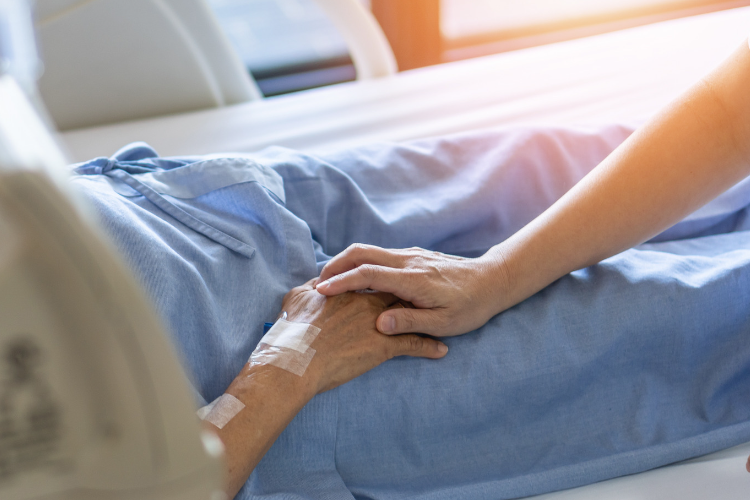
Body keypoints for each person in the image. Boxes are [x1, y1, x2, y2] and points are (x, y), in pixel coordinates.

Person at [69, 43, 750, 500]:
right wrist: (285, 370)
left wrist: (500, 272)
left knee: (565, 163)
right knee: (699, 324)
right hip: (255, 384)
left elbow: (729, 117)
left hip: (189, 212)